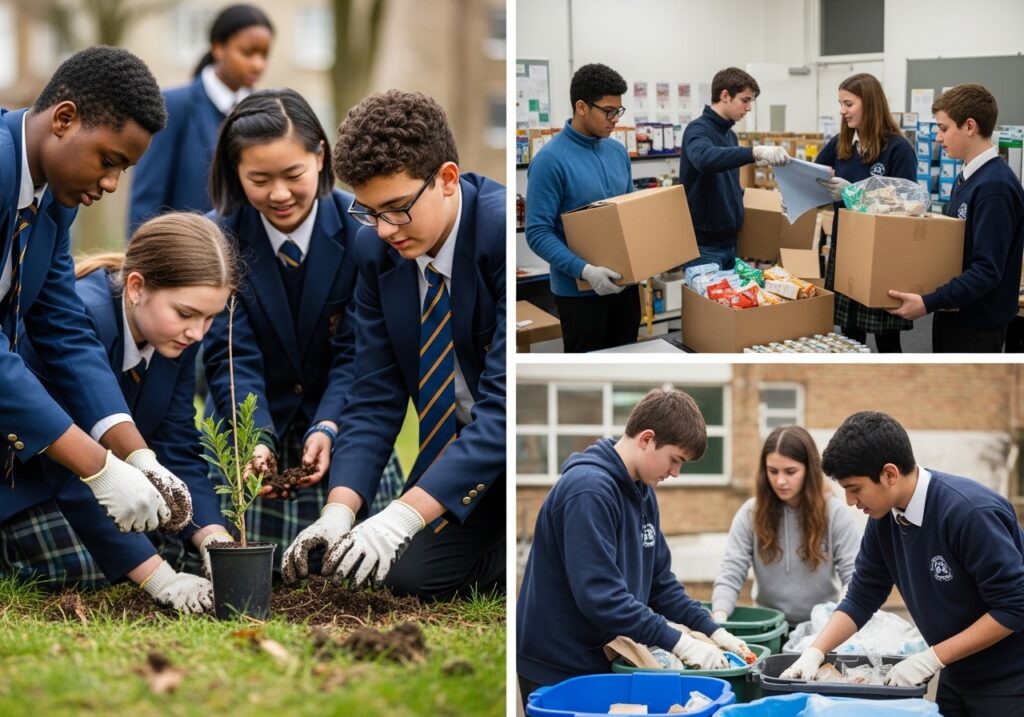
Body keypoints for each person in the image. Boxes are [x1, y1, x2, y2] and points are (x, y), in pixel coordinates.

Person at [280, 89, 505, 602]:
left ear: (447, 180)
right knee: (396, 576)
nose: (383, 230)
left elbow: (504, 408)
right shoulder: (375, 251)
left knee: (409, 565)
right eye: (368, 211)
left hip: (513, 445)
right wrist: (340, 510)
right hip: (447, 455)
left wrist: (401, 516)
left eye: (397, 209)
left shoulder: (496, 235)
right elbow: (375, 393)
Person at [204, 89, 405, 575]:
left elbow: (359, 353)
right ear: (235, 174)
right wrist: (256, 439)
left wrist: (330, 425)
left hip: (343, 422)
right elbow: (229, 354)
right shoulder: (215, 240)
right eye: (259, 179)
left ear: (320, 156)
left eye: (293, 175)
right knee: (245, 566)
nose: (279, 194)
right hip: (250, 428)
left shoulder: (364, 232)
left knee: (367, 569)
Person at [0, 214, 239, 612]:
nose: (198, 332)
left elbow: (175, 443)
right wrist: (159, 578)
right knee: (86, 569)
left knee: (176, 542)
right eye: (185, 314)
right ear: (136, 287)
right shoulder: (77, 320)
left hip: (110, 484)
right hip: (29, 486)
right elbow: (65, 471)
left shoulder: (177, 338)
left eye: (210, 317)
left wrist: (212, 538)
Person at [0, 45, 190, 538]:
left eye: (123, 170)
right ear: (64, 118)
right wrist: (97, 467)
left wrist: (137, 453)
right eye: (109, 160)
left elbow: (62, 327)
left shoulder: (53, 198)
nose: (110, 182)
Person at [517, 389, 751, 706]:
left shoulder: (643, 492)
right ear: (646, 438)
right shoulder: (589, 492)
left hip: (603, 658)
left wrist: (713, 631)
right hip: (559, 667)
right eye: (675, 460)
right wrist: (680, 643)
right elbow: (601, 597)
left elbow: (660, 584)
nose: (675, 473)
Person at [782, 411, 1024, 716]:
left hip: (1010, 680)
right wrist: (815, 651)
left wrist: (931, 658)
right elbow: (862, 595)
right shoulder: (885, 518)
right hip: (956, 673)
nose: (849, 501)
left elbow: (1014, 606)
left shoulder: (969, 513)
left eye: (854, 488)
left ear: (890, 474)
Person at [887, 84, 1024, 353]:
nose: (938, 138)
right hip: (955, 312)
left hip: (977, 326)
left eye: (944, 128)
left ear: (970, 126)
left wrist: (928, 301)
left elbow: (987, 269)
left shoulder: (995, 187)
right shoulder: (968, 178)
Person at [128, 4, 274, 231]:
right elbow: (147, 201)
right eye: (248, 52)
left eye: (264, 55)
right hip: (186, 254)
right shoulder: (174, 106)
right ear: (218, 47)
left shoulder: (267, 110)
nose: (258, 64)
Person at [525, 62, 638, 353]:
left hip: (626, 287)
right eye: (608, 111)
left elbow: (630, 211)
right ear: (581, 107)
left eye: (619, 111)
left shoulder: (617, 151)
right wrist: (585, 270)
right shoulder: (550, 161)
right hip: (579, 294)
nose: (615, 119)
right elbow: (537, 232)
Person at [712, 425, 859, 627]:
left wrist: (838, 621)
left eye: (790, 471)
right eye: (773, 471)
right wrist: (718, 619)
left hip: (822, 628)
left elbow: (854, 577)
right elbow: (730, 573)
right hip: (768, 627)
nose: (780, 481)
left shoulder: (836, 514)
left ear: (809, 470)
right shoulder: (750, 514)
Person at [815, 73, 917, 352]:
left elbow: (909, 207)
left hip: (883, 254)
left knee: (887, 341)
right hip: (847, 248)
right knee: (849, 337)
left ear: (869, 104)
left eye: (848, 104)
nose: (842, 111)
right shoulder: (840, 144)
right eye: (840, 103)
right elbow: (812, 176)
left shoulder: (898, 149)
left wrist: (854, 194)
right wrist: (793, 192)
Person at [680, 67, 789, 271]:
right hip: (705, 247)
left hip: (731, 244)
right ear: (725, 96)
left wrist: (771, 202)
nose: (748, 108)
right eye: (745, 100)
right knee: (706, 304)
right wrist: (754, 152)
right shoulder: (698, 130)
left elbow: (729, 187)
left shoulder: (730, 135)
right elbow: (705, 159)